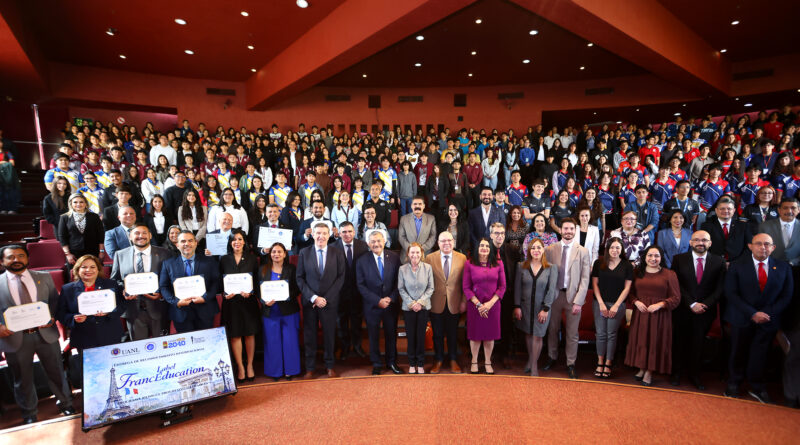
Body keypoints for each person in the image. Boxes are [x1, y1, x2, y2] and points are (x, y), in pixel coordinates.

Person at [0, 245, 75, 424]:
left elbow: (55, 302)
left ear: (28, 258)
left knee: (56, 372)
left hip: (45, 334)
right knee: (22, 378)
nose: (16, 260)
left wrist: (52, 317)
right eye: (11, 257)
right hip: (13, 338)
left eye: (21, 256)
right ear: (2, 261)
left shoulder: (44, 277)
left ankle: (66, 403)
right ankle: (29, 413)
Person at [724, 233, 793, 403]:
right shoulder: (736, 265)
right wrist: (752, 313)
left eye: (767, 244)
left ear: (773, 248)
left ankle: (757, 386)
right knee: (738, 352)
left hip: (768, 320)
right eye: (759, 243)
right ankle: (734, 383)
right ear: (750, 246)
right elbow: (731, 293)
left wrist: (766, 313)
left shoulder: (783, 267)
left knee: (760, 354)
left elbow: (786, 296)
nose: (763, 247)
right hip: (742, 317)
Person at [670, 230, 725, 390]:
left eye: (704, 240)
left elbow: (720, 288)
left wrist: (705, 304)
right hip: (683, 308)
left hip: (705, 311)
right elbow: (676, 284)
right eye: (697, 240)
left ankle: (694, 375)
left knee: (698, 343)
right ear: (691, 242)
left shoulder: (719, 261)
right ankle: (676, 372)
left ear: (710, 243)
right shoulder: (679, 259)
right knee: (679, 341)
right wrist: (691, 303)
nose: (701, 243)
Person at [56, 255, 124, 377]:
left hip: (110, 334)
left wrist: (109, 312)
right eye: (84, 267)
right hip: (84, 337)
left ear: (98, 269)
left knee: (113, 370)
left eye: (93, 267)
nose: (88, 270)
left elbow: (122, 306)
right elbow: (61, 314)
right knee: (91, 374)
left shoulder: (111, 284)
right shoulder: (67, 289)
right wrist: (74, 319)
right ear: (77, 270)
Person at [625, 246, 681, 387]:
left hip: (659, 315)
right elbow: (630, 293)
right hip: (641, 313)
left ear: (661, 258)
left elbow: (676, 297)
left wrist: (660, 304)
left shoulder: (669, 274)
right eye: (650, 255)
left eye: (656, 256)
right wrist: (636, 302)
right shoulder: (638, 272)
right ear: (645, 257)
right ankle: (642, 367)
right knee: (641, 340)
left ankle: (649, 371)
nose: (653, 259)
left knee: (655, 342)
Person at [542, 218, 591, 379]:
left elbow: (585, 279)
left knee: (572, 333)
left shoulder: (583, 251)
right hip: (555, 296)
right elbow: (546, 275)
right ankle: (552, 357)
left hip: (573, 297)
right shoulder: (550, 249)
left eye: (571, 229)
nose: (568, 231)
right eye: (566, 228)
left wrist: (579, 301)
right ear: (560, 230)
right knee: (552, 329)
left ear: (575, 231)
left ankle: (571, 363)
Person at [296, 223, 345, 378]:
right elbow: (300, 278)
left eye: (324, 233)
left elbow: (341, 277)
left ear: (329, 235)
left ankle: (330, 366)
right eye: (318, 233)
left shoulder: (337, 253)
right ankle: (310, 367)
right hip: (310, 302)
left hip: (329, 302)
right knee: (309, 335)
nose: (321, 236)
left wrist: (326, 299)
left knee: (329, 335)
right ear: (312, 234)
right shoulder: (304, 253)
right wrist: (314, 298)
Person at [110, 224, 172, 340]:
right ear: (130, 236)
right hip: (133, 310)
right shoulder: (120, 255)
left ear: (150, 235)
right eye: (137, 233)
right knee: (138, 346)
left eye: (144, 233)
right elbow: (114, 281)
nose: (141, 236)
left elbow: (170, 278)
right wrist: (124, 290)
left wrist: (161, 294)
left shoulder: (165, 253)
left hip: (158, 309)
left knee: (163, 345)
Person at [356, 230, 402, 375]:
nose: (376, 244)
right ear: (368, 244)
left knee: (391, 334)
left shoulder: (394, 257)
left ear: (384, 241)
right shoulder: (362, 260)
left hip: (390, 305)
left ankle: (391, 362)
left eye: (379, 240)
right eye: (373, 241)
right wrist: (377, 300)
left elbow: (399, 281)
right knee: (373, 336)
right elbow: (360, 285)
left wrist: (391, 298)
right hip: (372, 306)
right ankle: (376, 364)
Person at [159, 231, 220, 333]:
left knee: (206, 341)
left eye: (190, 241)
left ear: (196, 243)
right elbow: (164, 287)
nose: (187, 244)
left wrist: (205, 298)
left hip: (205, 311)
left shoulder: (209, 261)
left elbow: (216, 282)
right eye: (183, 241)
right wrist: (176, 302)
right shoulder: (168, 264)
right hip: (181, 313)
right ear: (177, 245)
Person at [513, 238, 559, 376]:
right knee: (528, 333)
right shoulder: (521, 266)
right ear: (529, 250)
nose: (536, 250)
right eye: (533, 248)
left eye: (539, 247)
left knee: (538, 336)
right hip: (525, 307)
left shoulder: (551, 268)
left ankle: (533, 366)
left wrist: (546, 308)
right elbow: (517, 288)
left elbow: (552, 290)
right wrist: (517, 306)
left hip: (542, 309)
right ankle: (531, 360)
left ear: (543, 250)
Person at [219, 229, 260, 382]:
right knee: (235, 335)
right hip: (231, 303)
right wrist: (224, 293)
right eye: (234, 239)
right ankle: (240, 367)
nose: (237, 242)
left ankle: (249, 365)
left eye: (240, 239)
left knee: (250, 334)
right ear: (230, 242)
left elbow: (257, 281)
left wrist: (251, 291)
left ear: (244, 242)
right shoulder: (224, 259)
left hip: (248, 302)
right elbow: (219, 282)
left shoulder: (252, 259)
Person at [591, 237, 633, 379]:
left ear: (622, 250)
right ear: (607, 249)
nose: (614, 250)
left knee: (611, 334)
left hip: (618, 305)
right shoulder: (598, 263)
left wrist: (616, 305)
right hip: (599, 303)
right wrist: (601, 303)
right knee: (601, 334)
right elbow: (595, 284)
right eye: (612, 247)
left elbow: (627, 288)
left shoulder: (627, 265)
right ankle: (600, 361)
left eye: (617, 248)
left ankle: (608, 363)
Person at [424, 231, 467, 374]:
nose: (446, 243)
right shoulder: (429, 258)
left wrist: (464, 301)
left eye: (449, 240)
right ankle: (438, 360)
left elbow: (465, 282)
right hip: (436, 302)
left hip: (455, 302)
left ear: (453, 242)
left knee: (453, 333)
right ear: (438, 243)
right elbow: (426, 281)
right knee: (437, 334)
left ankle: (453, 359)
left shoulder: (462, 258)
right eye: (443, 241)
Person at [463, 237, 506, 374]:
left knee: (489, 336)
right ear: (477, 248)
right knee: (475, 336)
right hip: (474, 306)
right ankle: (474, 361)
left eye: (487, 246)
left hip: (493, 306)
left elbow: (502, 286)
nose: (484, 248)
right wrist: (479, 305)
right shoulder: (469, 264)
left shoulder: (498, 263)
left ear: (490, 249)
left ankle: (488, 362)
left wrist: (489, 304)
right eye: (481, 246)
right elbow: (466, 287)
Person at [259, 242, 302, 381]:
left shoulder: (292, 269)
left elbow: (297, 289)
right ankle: (275, 371)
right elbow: (258, 290)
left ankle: (290, 370)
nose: (276, 254)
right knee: (272, 342)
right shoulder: (262, 269)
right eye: (273, 252)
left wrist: (284, 295)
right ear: (269, 254)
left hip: (289, 311)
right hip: (270, 311)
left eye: (279, 252)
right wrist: (264, 301)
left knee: (290, 341)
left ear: (285, 254)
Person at [332, 221, 368, 359]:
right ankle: (345, 347)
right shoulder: (332, 247)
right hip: (339, 292)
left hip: (358, 292)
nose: (347, 234)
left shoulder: (363, 246)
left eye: (349, 231)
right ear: (339, 233)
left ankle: (357, 346)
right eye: (344, 232)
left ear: (354, 232)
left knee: (356, 321)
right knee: (341, 321)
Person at [398, 243, 434, 373]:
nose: (415, 255)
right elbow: (401, 288)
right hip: (408, 308)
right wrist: (412, 303)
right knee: (411, 336)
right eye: (412, 252)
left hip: (423, 308)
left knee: (420, 336)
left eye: (417, 252)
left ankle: (420, 363)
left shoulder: (428, 268)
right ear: (408, 254)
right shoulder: (402, 269)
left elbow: (431, 288)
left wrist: (420, 302)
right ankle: (412, 363)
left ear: (422, 253)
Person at [58, 193, 105, 264]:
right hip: (74, 253)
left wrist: (101, 251)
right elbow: (62, 237)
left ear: (86, 203)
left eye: (81, 202)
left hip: (93, 251)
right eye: (75, 202)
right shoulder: (64, 217)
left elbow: (100, 235)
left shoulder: (94, 216)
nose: (78, 204)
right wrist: (68, 254)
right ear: (71, 204)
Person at [701, 197, 751, 262]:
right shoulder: (706, 226)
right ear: (716, 210)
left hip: (738, 264)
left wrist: (737, 263)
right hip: (714, 263)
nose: (725, 211)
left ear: (734, 210)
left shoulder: (743, 226)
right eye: (722, 208)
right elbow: (703, 247)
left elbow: (749, 247)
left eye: (729, 209)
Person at [757, 197, 800, 266]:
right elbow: (760, 248)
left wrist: (793, 262)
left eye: (793, 208)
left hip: (797, 267)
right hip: (772, 266)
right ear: (779, 210)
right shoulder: (765, 226)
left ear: (798, 210)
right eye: (785, 208)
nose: (789, 211)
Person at [398, 196, 436, 263]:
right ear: (411, 206)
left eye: (420, 204)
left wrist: (422, 249)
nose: (417, 206)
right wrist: (411, 249)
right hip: (408, 257)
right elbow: (401, 237)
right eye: (415, 204)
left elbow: (433, 236)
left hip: (426, 256)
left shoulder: (431, 219)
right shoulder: (403, 219)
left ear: (424, 206)